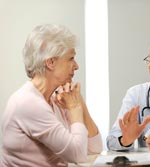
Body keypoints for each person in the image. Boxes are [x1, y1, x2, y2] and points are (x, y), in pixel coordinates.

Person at [0, 24, 102, 166]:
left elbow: (94, 150)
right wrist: (74, 107)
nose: (76, 66)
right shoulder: (28, 103)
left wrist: (79, 101)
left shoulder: (54, 101)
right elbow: (78, 155)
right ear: (51, 62)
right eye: (71, 58)